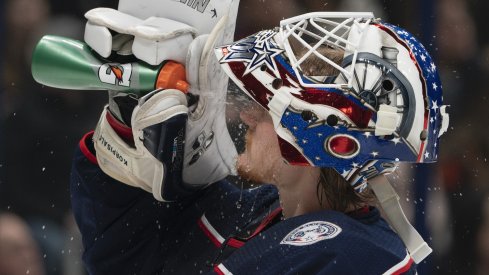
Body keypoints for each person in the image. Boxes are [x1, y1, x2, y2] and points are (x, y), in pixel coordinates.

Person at [32, 3, 449, 274]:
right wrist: (128, 128)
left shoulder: (358, 257)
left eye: (268, 106)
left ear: (324, 139)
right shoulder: (260, 211)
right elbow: (120, 257)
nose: (247, 113)